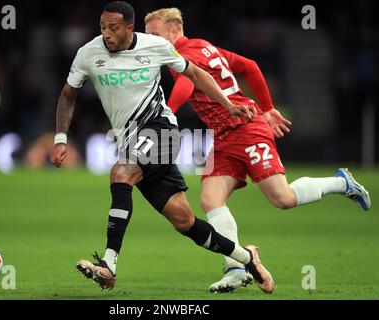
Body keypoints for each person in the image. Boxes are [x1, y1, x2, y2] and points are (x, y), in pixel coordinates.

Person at [50, 1, 275, 293]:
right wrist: (60, 138)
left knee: (122, 173)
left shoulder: (154, 46)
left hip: (162, 131)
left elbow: (194, 75)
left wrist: (229, 104)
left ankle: (108, 264)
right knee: (185, 221)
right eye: (103, 27)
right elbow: (68, 95)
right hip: (130, 139)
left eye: (113, 28)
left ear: (130, 28)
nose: (107, 33)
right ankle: (247, 258)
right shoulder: (88, 53)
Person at [144, 7, 371, 293]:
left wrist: (168, 114)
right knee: (211, 200)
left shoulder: (187, 54)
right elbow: (249, 65)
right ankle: (236, 267)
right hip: (223, 137)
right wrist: (268, 107)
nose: (148, 40)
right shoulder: (206, 47)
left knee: (283, 198)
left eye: (154, 35)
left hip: (246, 129)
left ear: (174, 32)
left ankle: (342, 182)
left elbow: (188, 84)